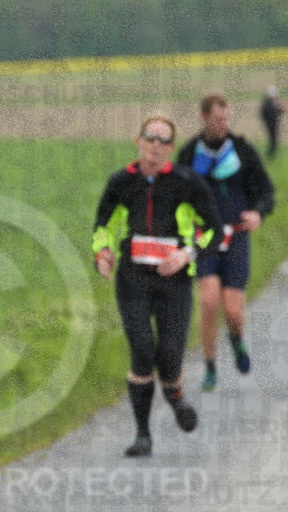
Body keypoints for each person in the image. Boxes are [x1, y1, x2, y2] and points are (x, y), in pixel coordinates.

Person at [93, 115, 221, 456]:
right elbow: (103, 224)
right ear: (139, 140)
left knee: (169, 357)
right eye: (151, 138)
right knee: (142, 352)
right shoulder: (121, 182)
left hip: (174, 281)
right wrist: (102, 252)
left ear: (171, 148)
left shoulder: (187, 183)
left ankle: (175, 394)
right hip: (133, 279)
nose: (157, 145)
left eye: (165, 141)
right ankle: (142, 435)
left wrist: (186, 254)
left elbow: (214, 230)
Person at [177, 94, 275, 392]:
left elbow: (266, 192)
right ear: (203, 117)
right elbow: (176, 196)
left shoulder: (243, 151)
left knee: (232, 312)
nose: (223, 125)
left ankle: (236, 340)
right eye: (218, 119)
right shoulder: (189, 153)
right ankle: (209, 366)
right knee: (208, 303)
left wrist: (258, 212)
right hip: (204, 239)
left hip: (236, 237)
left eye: (227, 119)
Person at [259, 85, 287, 159]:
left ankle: (271, 156)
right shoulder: (268, 103)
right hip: (271, 125)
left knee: (273, 141)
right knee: (273, 141)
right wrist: (282, 110)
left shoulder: (267, 102)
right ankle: (270, 156)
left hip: (271, 124)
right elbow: (273, 112)